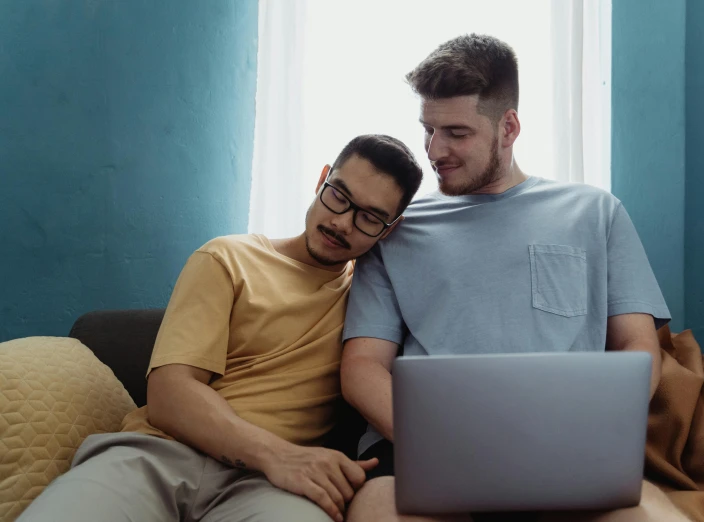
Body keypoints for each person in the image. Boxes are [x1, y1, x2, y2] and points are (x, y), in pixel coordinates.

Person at [340, 35, 688, 522]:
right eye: (428, 129)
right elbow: (361, 369)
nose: (434, 150)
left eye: (456, 133)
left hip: (563, 453)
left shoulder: (595, 213)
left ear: (509, 126)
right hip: (422, 455)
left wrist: (588, 434)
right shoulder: (398, 230)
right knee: (378, 510)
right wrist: (447, 443)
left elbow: (638, 347)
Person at [18, 134, 423, 522]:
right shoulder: (229, 257)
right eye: (338, 195)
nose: (342, 222)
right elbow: (169, 394)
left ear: (389, 230)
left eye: (369, 218)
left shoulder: (373, 300)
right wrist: (280, 456)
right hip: (161, 455)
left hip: (271, 490)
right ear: (321, 180)